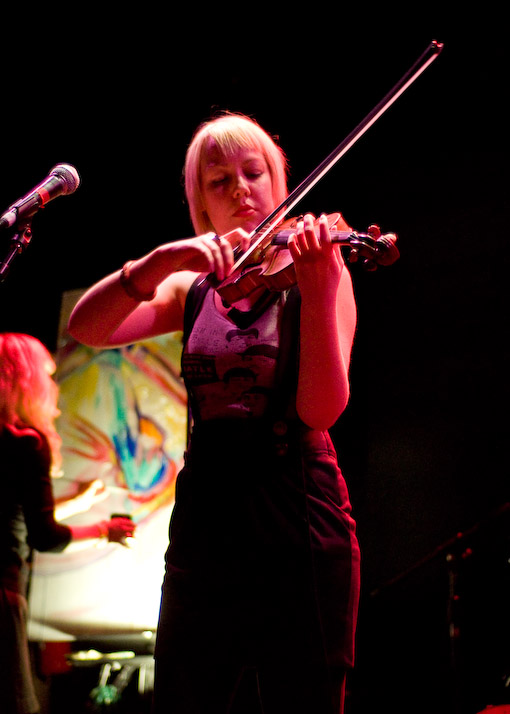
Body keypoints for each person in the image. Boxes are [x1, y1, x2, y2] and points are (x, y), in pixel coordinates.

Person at [68, 112, 395, 713]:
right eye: (219, 181)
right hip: (205, 526)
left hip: (298, 514)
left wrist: (320, 287)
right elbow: (86, 327)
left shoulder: (321, 265)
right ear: (201, 204)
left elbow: (320, 409)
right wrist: (162, 259)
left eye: (254, 173)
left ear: (279, 181)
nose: (241, 189)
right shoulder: (191, 284)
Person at [0, 332, 136, 714]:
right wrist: (103, 532)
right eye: (46, 375)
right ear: (25, 381)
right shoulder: (26, 442)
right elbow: (44, 535)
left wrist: (77, 502)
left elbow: (16, 514)